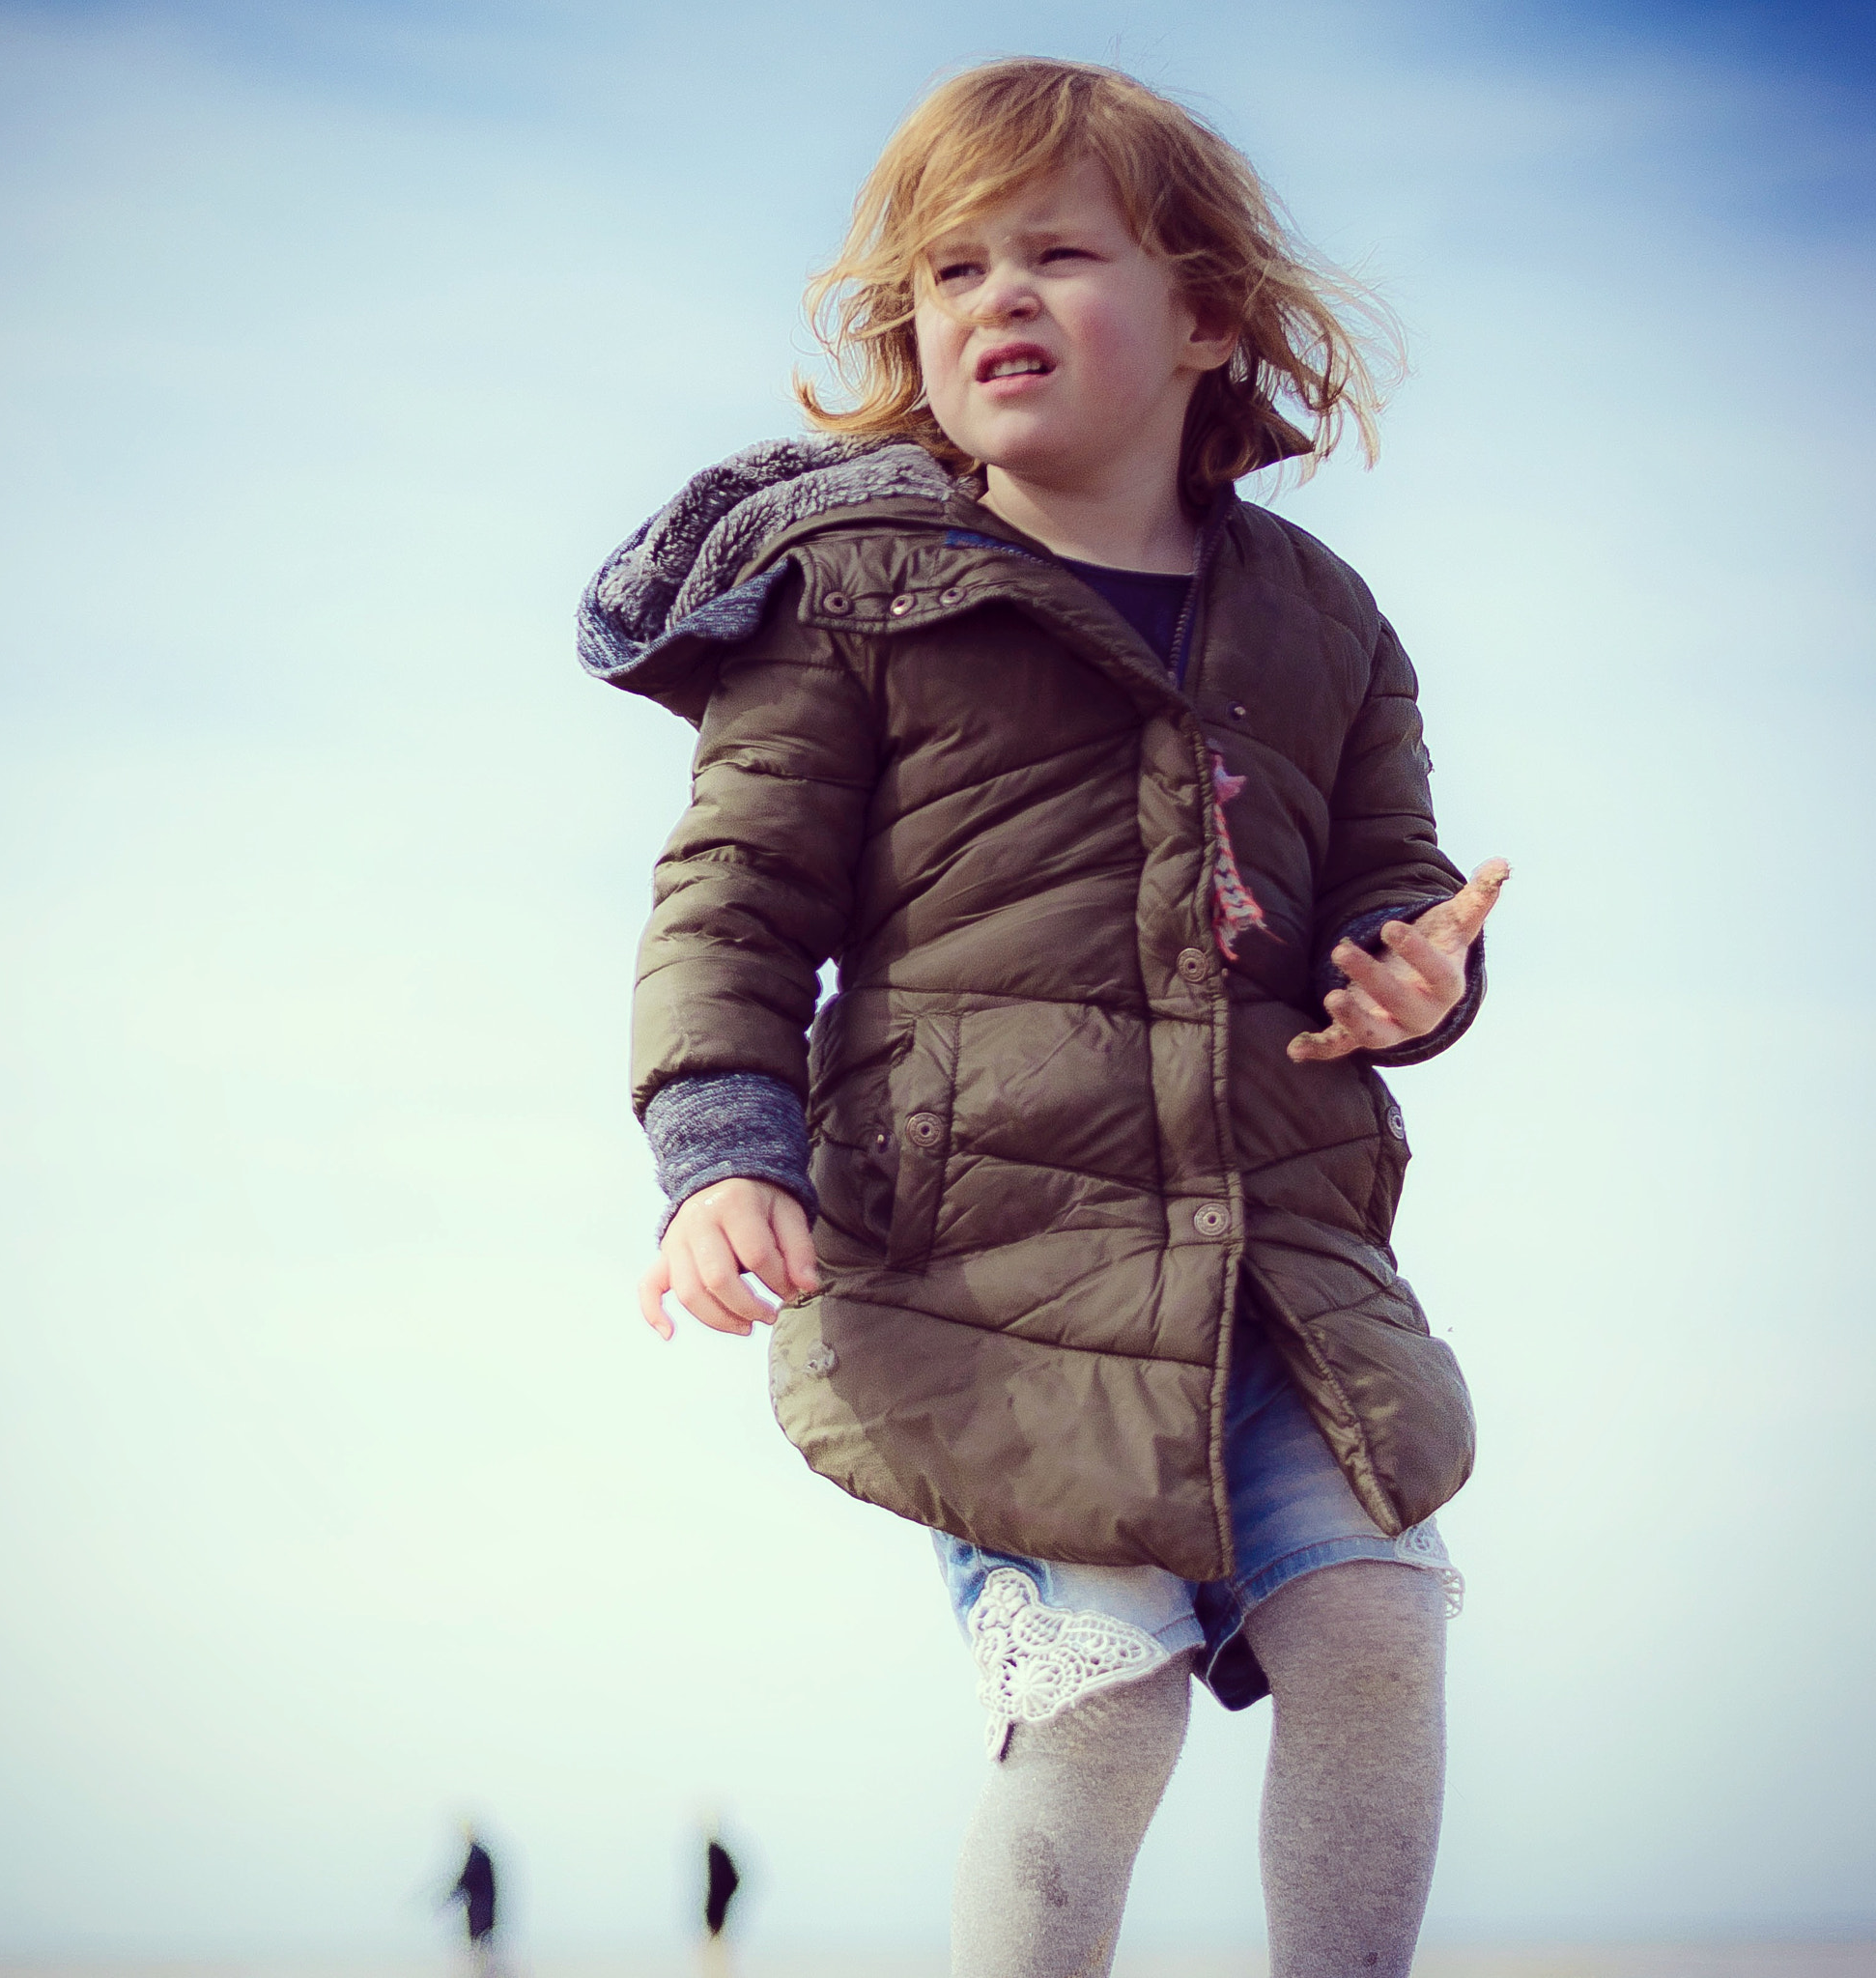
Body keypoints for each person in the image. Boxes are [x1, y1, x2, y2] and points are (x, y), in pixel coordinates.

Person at [579, 57, 1508, 1978]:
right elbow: (730, 899)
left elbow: (1387, 878)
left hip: (1278, 1255)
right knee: (1099, 1693)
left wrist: (1414, 967)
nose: (993, 296)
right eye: (950, 269)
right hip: (979, 1253)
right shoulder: (852, 593)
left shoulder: (1323, 622)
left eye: (1057, 253)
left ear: (1205, 314)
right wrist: (717, 1150)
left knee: (1375, 1615)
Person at [444, 1826, 497, 1970]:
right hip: (482, 1908)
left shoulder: (477, 1856)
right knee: (481, 1942)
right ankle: (484, 1969)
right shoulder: (478, 1855)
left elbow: (467, 1879)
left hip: (481, 1909)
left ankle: (484, 1970)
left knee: (481, 1942)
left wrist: (451, 1897)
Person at [700, 1826, 742, 1976]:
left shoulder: (715, 1852)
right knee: (715, 1949)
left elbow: (730, 1879)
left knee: (716, 1949)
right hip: (715, 1910)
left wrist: (717, 1904)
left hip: (716, 1910)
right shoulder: (715, 1852)